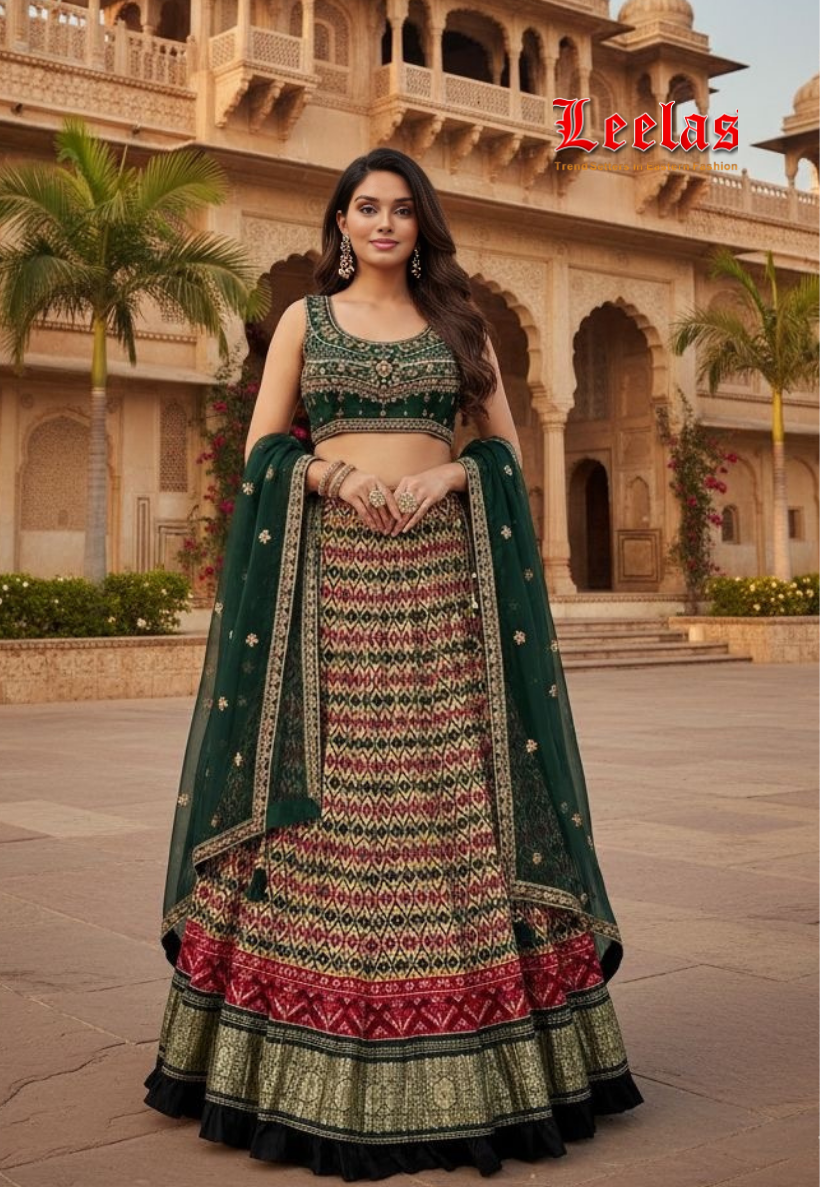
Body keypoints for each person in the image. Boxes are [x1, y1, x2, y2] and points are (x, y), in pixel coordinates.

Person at [144, 146, 643, 1180]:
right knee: (328, 808)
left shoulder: (463, 328)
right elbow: (259, 451)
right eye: (365, 207)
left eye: (401, 210)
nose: (382, 224)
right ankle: (293, 1058)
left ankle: (477, 1053)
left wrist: (452, 477)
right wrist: (321, 468)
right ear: (339, 222)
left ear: (423, 226)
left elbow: (505, 449)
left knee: (442, 802)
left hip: (435, 598)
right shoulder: (303, 322)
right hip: (329, 598)